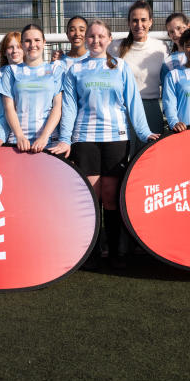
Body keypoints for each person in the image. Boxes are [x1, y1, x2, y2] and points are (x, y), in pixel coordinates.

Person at [50, 19, 159, 268]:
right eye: (91, 36)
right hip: (85, 138)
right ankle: (92, 252)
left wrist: (144, 133)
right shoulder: (74, 69)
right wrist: (66, 139)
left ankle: (116, 250)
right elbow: (69, 107)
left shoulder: (120, 67)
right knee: (92, 196)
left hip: (115, 138)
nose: (95, 40)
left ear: (109, 39)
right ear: (86, 40)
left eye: (100, 36)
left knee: (110, 196)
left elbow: (133, 102)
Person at [108, 0, 169, 138]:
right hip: (123, 108)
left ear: (150, 22)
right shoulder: (115, 47)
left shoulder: (161, 47)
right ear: (129, 23)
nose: (139, 25)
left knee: (149, 153)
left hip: (151, 108)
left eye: (143, 20)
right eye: (134, 20)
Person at [0, 24, 63, 152]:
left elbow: (57, 107)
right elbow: (9, 108)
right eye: (28, 41)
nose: (32, 44)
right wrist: (19, 136)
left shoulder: (55, 69)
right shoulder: (11, 71)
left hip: (48, 141)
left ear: (44, 43)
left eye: (37, 40)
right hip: (17, 142)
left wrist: (44, 137)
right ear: (22, 44)